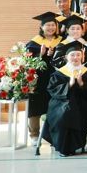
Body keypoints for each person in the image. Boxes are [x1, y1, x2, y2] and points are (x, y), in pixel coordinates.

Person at [42, 42, 87, 157]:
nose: (75, 57)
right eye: (72, 55)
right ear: (66, 57)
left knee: (72, 111)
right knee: (64, 113)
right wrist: (69, 84)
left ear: (82, 56)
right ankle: (63, 147)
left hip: (82, 102)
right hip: (60, 102)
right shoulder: (59, 73)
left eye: (78, 55)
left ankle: (72, 146)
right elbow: (52, 90)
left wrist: (82, 84)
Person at [25, 12, 62, 142]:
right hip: (38, 80)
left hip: (55, 79)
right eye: (48, 25)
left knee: (54, 105)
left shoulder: (61, 41)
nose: (51, 27)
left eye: (53, 25)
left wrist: (52, 55)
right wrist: (40, 55)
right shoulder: (33, 43)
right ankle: (34, 134)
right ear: (41, 27)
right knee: (35, 106)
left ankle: (52, 134)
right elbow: (28, 62)